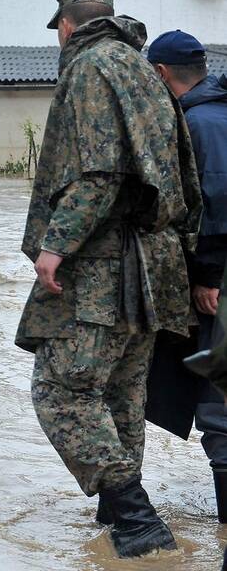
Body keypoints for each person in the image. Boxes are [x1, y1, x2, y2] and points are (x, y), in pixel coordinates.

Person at [17, 0, 201, 558]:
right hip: (151, 265)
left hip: (102, 266)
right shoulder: (145, 69)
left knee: (61, 390)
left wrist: (56, 246)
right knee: (120, 392)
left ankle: (136, 516)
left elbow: (100, 174)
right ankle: (118, 526)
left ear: (65, 27)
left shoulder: (91, 67)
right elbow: (184, 177)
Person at [148, 29, 227, 521]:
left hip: (219, 276)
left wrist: (207, 276)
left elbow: (215, 205)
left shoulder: (199, 124)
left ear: (159, 74)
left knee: (219, 402)